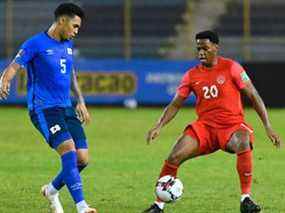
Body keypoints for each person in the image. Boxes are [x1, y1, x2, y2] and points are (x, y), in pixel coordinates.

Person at [143, 30, 282, 213]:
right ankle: (158, 205)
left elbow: (253, 95)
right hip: (205, 128)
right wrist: (159, 125)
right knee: (174, 156)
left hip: (231, 126)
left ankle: (245, 199)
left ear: (216, 47)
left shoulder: (232, 68)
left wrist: (268, 126)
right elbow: (175, 104)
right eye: (198, 49)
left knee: (243, 140)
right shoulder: (191, 75)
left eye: (205, 48)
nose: (201, 52)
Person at [0, 3, 97, 213]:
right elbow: (13, 66)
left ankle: (52, 190)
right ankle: (82, 206)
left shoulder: (68, 44)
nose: (76, 31)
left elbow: (71, 73)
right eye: (75, 26)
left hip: (66, 107)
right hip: (44, 109)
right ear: (62, 20)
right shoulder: (35, 43)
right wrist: (4, 80)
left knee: (82, 159)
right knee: (69, 151)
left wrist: (80, 100)